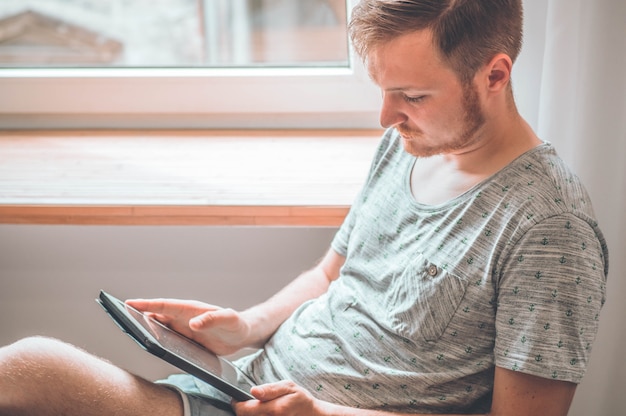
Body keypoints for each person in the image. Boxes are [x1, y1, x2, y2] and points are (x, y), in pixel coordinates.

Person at [0, 0, 609, 415]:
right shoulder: (411, 142)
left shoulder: (550, 229)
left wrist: (325, 413)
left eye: (413, 95)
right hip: (245, 384)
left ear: (494, 75)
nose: (386, 116)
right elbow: (330, 274)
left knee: (31, 370)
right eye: (383, 91)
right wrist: (246, 325)